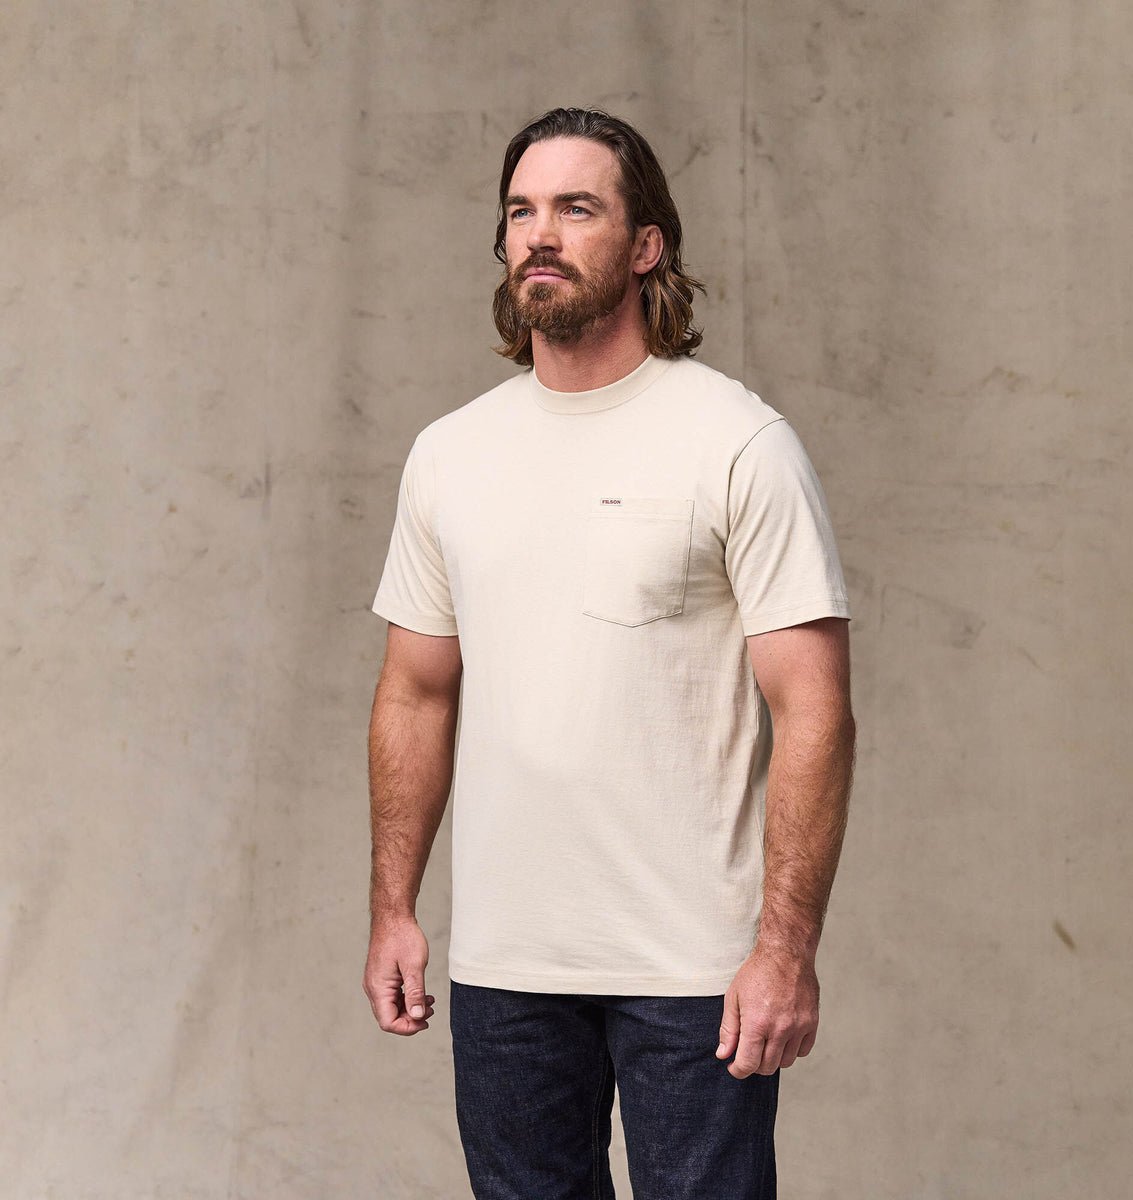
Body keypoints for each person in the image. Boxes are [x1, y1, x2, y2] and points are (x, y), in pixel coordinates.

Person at [362, 106, 856, 1200]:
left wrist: (784, 950)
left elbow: (815, 711)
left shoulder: (737, 443)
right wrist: (394, 908)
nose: (540, 234)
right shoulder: (450, 455)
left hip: (695, 969)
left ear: (645, 246)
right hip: (506, 966)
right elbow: (415, 693)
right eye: (521, 211)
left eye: (577, 208)